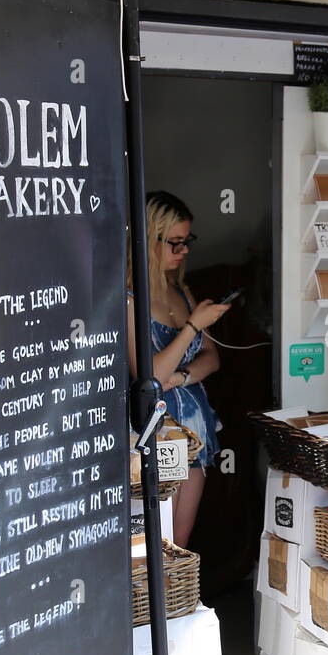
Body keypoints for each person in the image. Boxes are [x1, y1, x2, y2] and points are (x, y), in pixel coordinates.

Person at [126, 190, 231, 548]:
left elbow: (212, 358)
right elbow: (149, 372)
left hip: (196, 427)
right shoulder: (130, 297)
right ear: (148, 239)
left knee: (181, 540)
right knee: (156, 539)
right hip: (160, 431)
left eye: (187, 242)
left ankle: (179, 601)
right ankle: (158, 605)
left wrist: (182, 377)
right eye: (175, 243)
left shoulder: (182, 290)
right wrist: (191, 327)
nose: (184, 251)